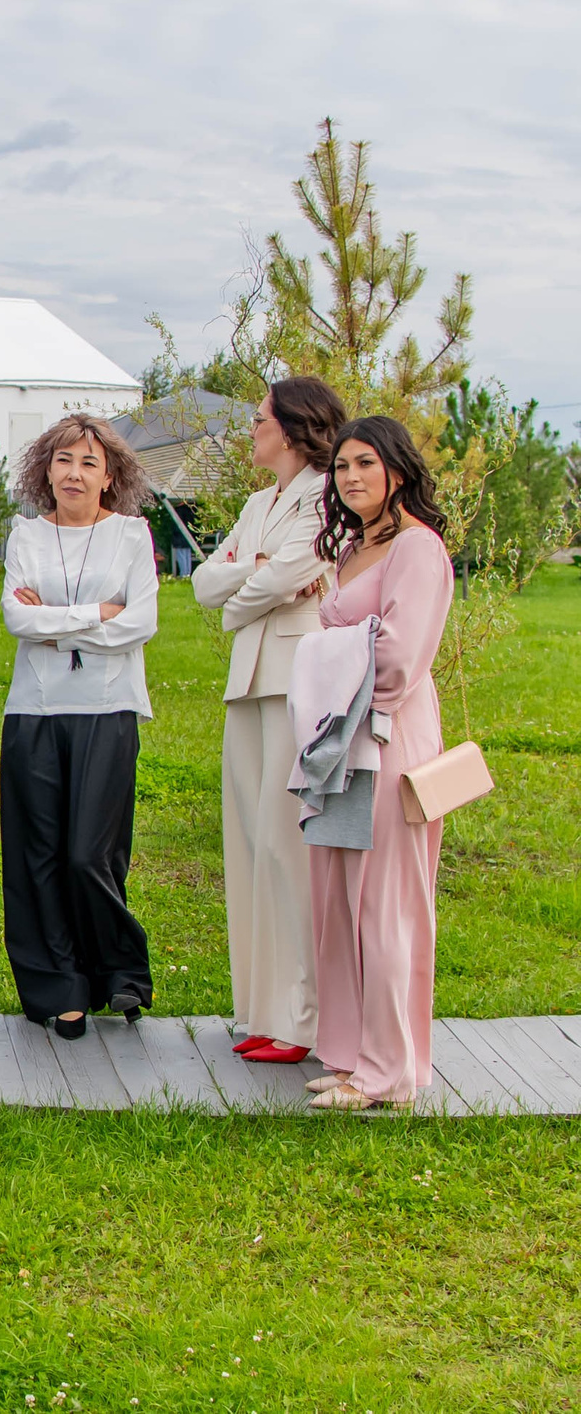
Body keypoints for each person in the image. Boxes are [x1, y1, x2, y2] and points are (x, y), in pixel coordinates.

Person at [191, 376, 345, 1065]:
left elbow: (286, 577)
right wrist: (254, 576)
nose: (251, 429)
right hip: (247, 680)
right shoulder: (259, 503)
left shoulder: (327, 495)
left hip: (296, 678)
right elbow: (205, 584)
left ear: (291, 427)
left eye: (260, 419)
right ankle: (261, 1008)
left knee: (287, 847)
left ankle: (303, 1018)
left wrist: (249, 583)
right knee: (250, 844)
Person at [303, 416, 454, 1111]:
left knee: (384, 903)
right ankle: (352, 1055)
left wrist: (321, 655)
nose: (351, 476)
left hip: (388, 741)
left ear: (397, 468)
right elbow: (358, 637)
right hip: (339, 739)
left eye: (366, 462)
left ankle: (389, 1071)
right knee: (339, 900)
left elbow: (396, 659)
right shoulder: (354, 549)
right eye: (341, 466)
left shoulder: (418, 549)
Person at [0, 414, 160, 1036]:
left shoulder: (131, 535)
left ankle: (119, 971)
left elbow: (140, 623)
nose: (75, 473)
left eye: (89, 463)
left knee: (91, 853)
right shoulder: (26, 535)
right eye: (64, 460)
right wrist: (98, 614)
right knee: (36, 854)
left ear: (109, 476)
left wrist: (58, 621)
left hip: (108, 708)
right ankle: (59, 987)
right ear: (46, 470)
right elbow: (18, 620)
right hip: (34, 711)